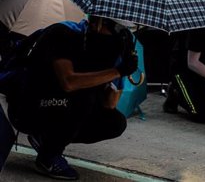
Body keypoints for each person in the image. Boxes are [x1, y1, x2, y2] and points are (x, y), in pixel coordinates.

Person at [6, 16, 138, 180]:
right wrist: (117, 71)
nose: (120, 36)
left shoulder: (112, 46)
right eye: (118, 30)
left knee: (115, 123)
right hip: (28, 105)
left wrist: (121, 66)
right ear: (97, 23)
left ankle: (47, 140)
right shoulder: (64, 33)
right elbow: (69, 82)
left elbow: (109, 104)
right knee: (83, 98)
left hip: (62, 107)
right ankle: (48, 158)